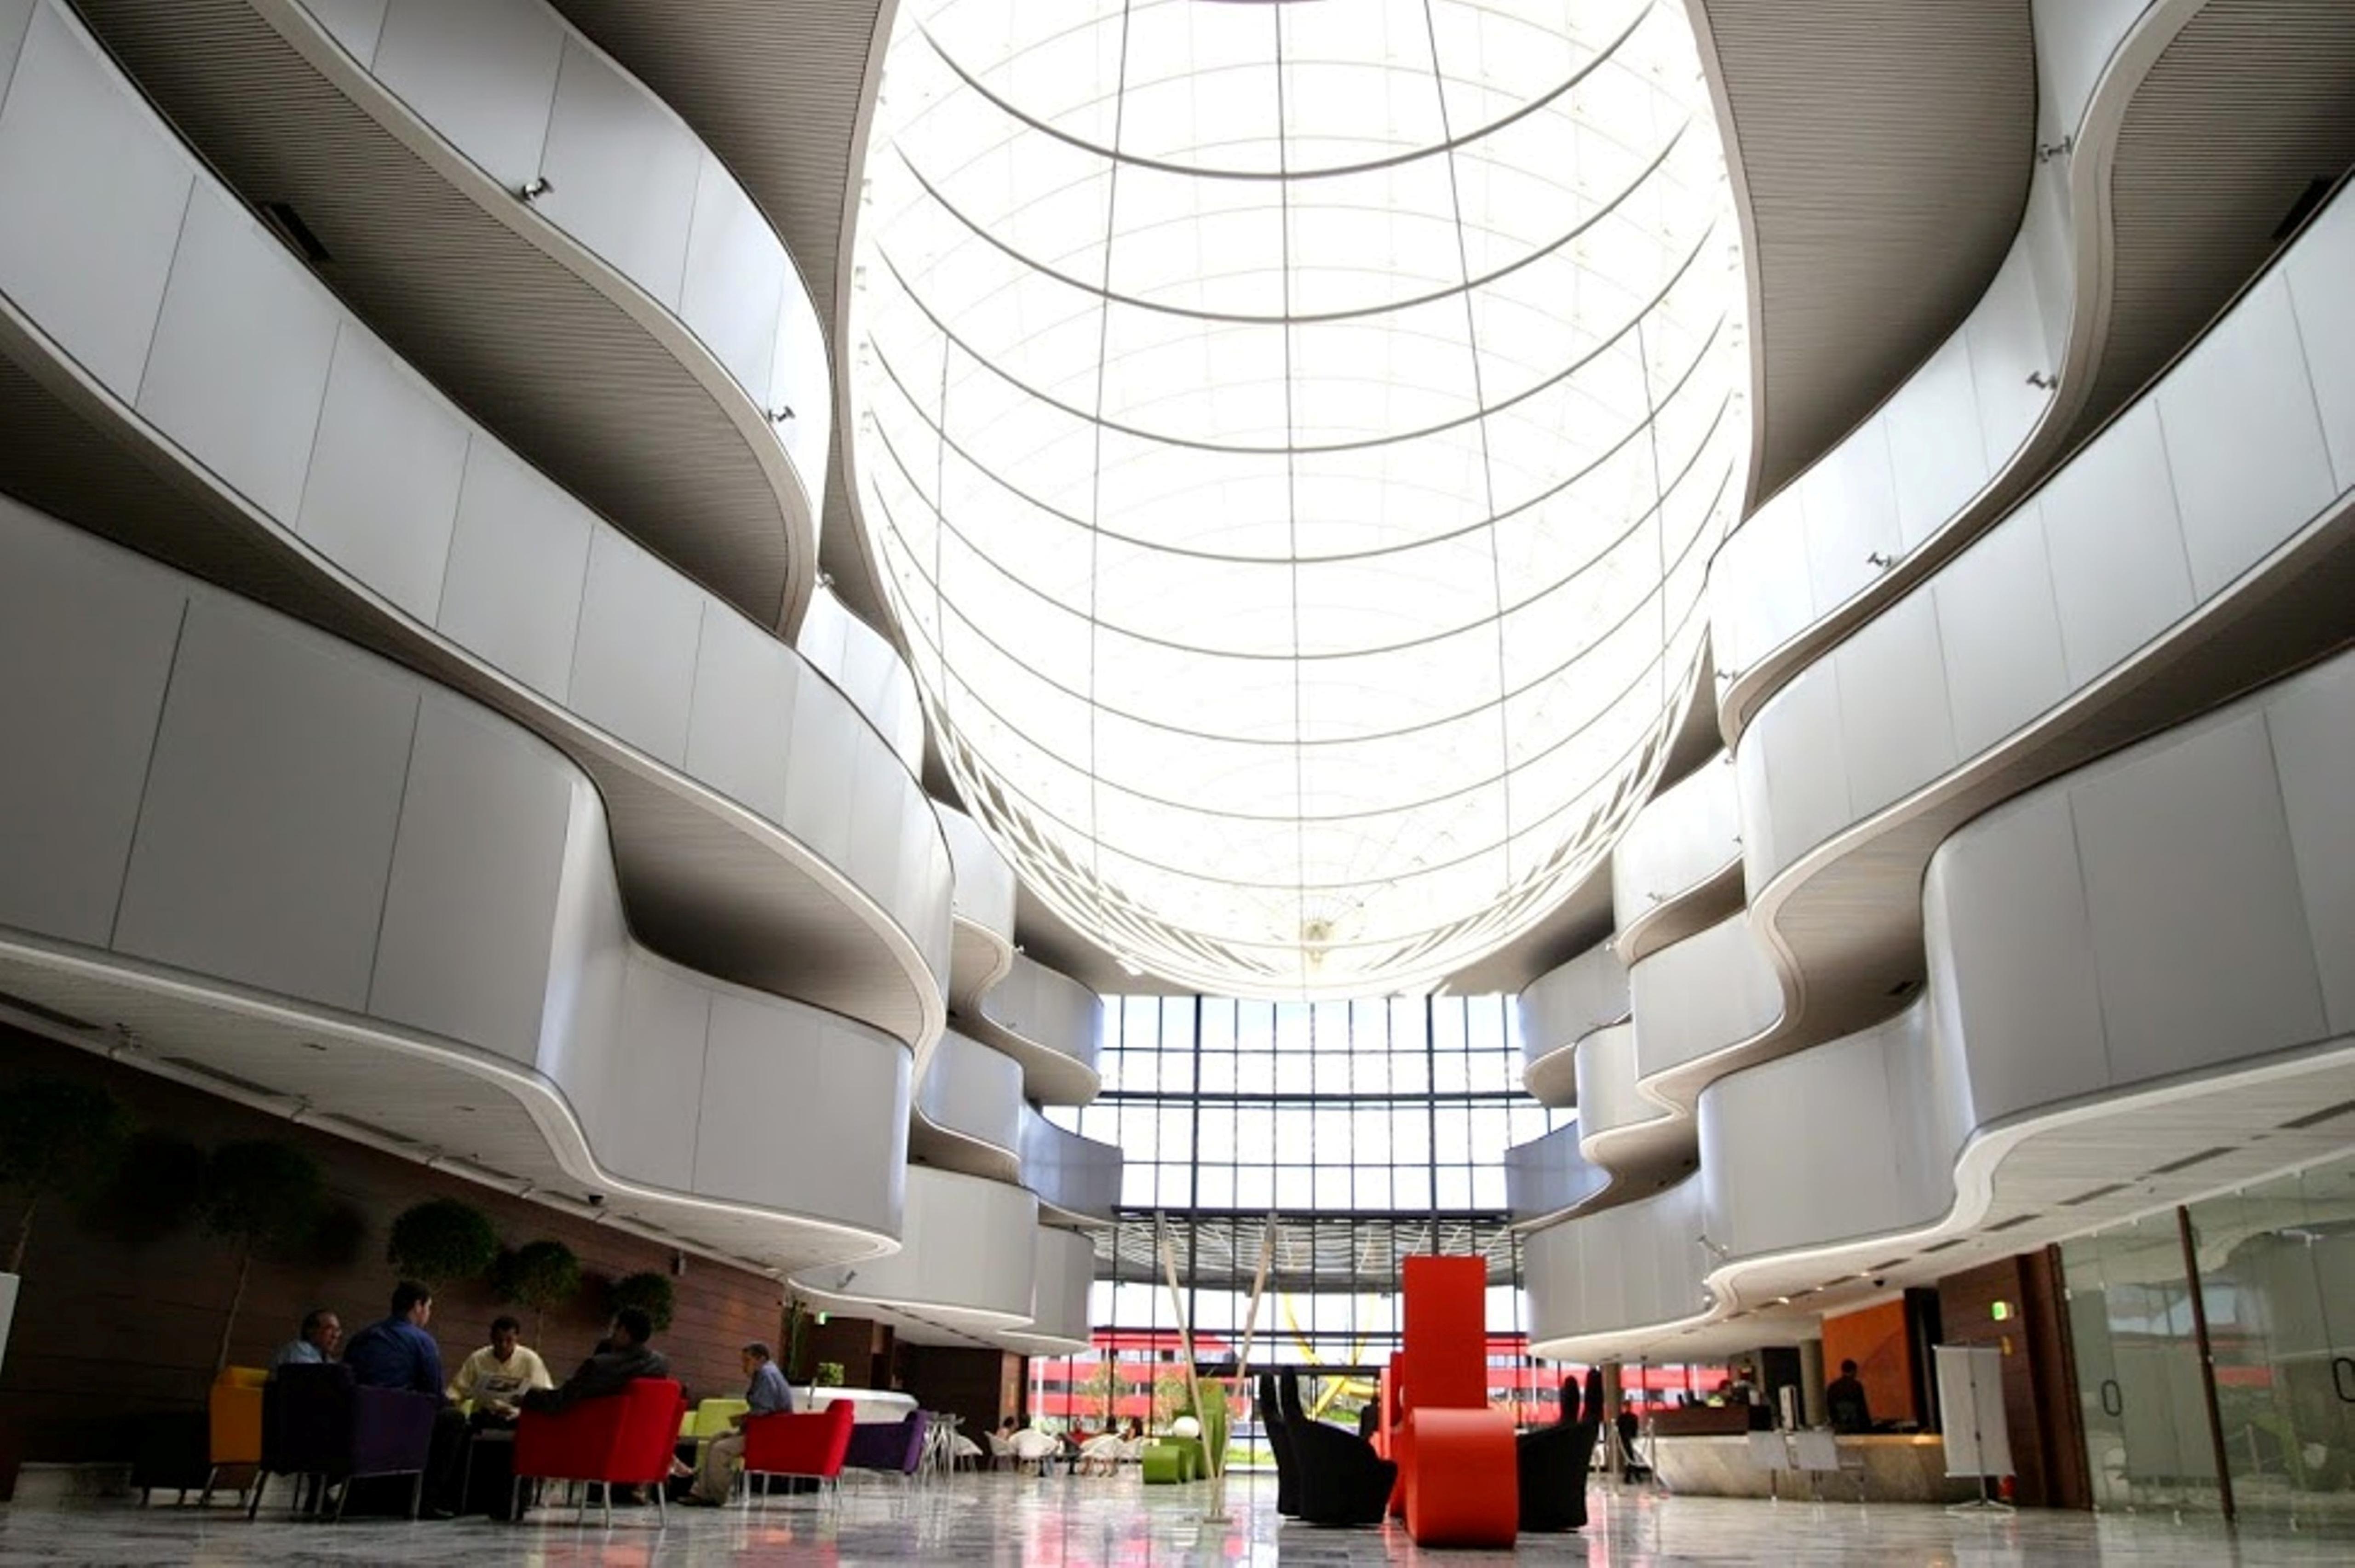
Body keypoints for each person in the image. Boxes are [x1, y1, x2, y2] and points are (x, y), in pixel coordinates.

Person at [341, 1281, 466, 1517]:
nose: (428, 1314)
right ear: (418, 1306)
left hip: (356, 1422)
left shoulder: (362, 1337)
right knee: (454, 1420)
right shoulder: (422, 1340)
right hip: (398, 1422)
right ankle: (426, 1501)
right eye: (429, 1307)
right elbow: (433, 1393)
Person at [685, 1342, 794, 1505]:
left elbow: (763, 1410)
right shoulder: (770, 1373)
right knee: (716, 1439)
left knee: (720, 1450)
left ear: (761, 1359)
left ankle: (716, 1496)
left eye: (747, 1361)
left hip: (766, 1434)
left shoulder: (766, 1375)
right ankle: (702, 1492)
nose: (743, 1366)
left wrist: (744, 1419)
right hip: (763, 1430)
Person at [520, 1307, 668, 1414]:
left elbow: (559, 1403)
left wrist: (522, 1395)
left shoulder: (599, 1365)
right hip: (631, 1440)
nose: (612, 1335)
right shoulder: (660, 1365)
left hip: (589, 1437)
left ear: (623, 1331)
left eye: (615, 1329)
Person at [448, 1316, 553, 1420]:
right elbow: (458, 1389)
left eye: (509, 1340)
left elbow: (544, 1393)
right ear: (492, 1338)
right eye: (499, 1340)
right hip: (484, 1416)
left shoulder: (531, 1360)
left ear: (517, 1338)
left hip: (518, 1417)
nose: (504, 1345)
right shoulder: (478, 1359)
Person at [270, 1307, 340, 1372]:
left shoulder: (327, 1359)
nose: (335, 1335)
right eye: (329, 1329)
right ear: (311, 1331)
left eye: (337, 1330)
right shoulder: (299, 1349)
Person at [1826, 1358, 1873, 1434]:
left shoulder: (1833, 1387)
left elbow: (1830, 1406)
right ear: (1853, 1371)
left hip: (1839, 1425)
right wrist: (1868, 1426)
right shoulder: (1856, 1386)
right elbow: (1862, 1407)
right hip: (1856, 1425)